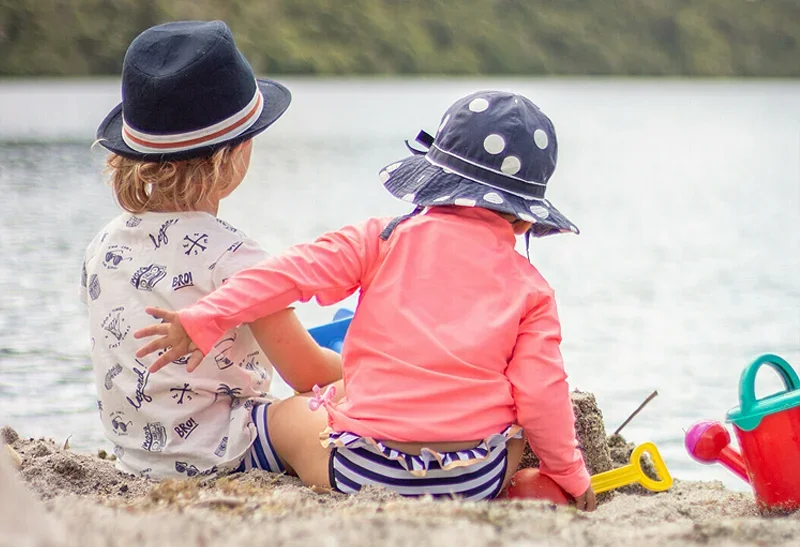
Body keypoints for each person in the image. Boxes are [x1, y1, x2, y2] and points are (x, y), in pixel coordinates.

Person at [135, 90, 596, 510]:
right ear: (522, 220)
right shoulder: (531, 289)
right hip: (474, 478)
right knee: (516, 420)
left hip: (362, 471)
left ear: (432, 180)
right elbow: (542, 394)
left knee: (286, 418)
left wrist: (204, 318)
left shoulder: (383, 239)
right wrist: (570, 475)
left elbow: (283, 275)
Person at [82, 20, 341, 480]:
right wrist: (367, 365)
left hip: (136, 454)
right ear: (234, 154)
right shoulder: (236, 258)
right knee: (314, 412)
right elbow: (308, 373)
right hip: (225, 449)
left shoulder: (102, 245)